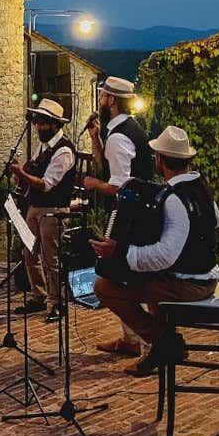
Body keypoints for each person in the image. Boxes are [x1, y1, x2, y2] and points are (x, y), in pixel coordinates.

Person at [90, 126, 219, 377]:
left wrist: (120, 252)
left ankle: (165, 343)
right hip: (207, 277)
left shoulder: (174, 198)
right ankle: (159, 349)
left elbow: (164, 255)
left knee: (104, 287)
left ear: (160, 160)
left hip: (190, 284)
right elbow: (215, 222)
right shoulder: (202, 187)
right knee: (149, 280)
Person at [82, 76, 155, 356]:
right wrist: (95, 138)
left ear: (112, 100)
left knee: (120, 278)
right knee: (120, 277)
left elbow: (120, 185)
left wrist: (94, 185)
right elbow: (109, 167)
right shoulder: (119, 132)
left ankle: (147, 344)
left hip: (130, 218)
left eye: (102, 96)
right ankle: (131, 339)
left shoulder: (121, 136)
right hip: (133, 214)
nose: (100, 101)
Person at [9, 98, 76, 324]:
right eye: (37, 121)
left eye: (43, 122)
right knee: (29, 253)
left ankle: (57, 303)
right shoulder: (43, 146)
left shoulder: (64, 151)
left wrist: (21, 174)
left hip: (53, 209)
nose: (38, 126)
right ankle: (39, 295)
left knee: (51, 258)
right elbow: (35, 171)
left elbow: (47, 184)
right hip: (35, 207)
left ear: (55, 125)